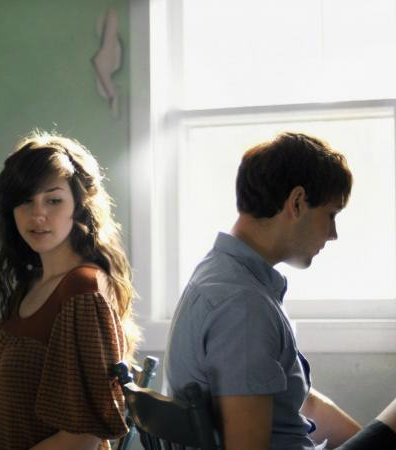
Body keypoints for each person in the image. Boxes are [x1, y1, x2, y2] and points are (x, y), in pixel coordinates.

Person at [164, 132, 396, 450]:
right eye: (331, 215)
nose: (333, 234)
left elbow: (302, 402)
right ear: (297, 202)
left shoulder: (223, 274)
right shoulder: (243, 307)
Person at [0, 131, 139, 450]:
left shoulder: (83, 289)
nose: (37, 214)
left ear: (79, 206)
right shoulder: (29, 285)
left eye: (53, 200)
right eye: (25, 200)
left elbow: (83, 438)